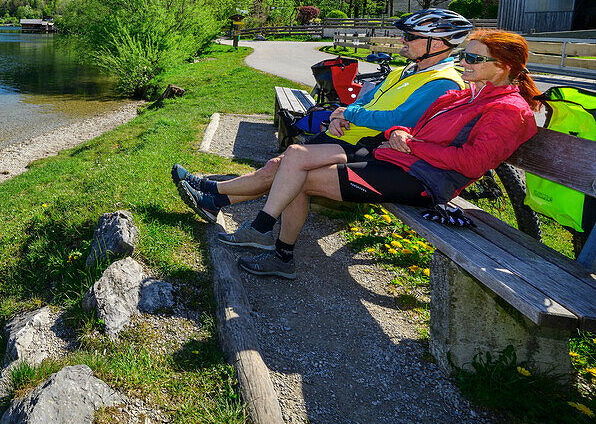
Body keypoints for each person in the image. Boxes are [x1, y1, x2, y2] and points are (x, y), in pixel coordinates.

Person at [216, 30, 539, 279]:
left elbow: (473, 163)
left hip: (423, 180)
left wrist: (411, 145)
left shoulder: (507, 110)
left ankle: (272, 245)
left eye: (473, 59)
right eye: (465, 56)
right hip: (396, 161)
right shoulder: (464, 96)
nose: (464, 62)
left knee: (298, 175)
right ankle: (267, 238)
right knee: (296, 157)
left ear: (504, 67)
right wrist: (396, 135)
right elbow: (409, 128)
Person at [173, 8, 473, 223]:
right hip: (347, 132)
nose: (403, 41)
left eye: (411, 36)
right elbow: (369, 97)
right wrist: (343, 114)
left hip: (364, 145)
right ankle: (213, 197)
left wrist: (349, 113)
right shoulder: (409, 69)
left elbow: (398, 120)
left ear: (438, 43)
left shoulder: (442, 82)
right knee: (281, 164)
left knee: (282, 166)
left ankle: (212, 192)